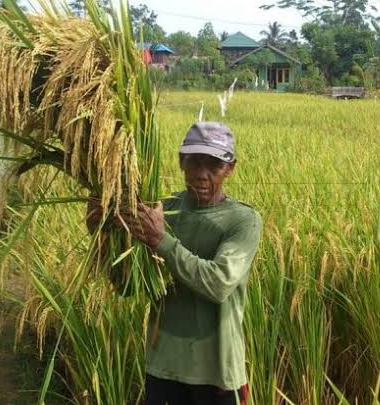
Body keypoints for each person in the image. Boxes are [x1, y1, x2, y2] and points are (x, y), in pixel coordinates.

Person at [86, 122, 262, 405]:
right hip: (164, 368)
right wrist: (102, 234)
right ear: (181, 162)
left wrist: (161, 241)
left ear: (230, 168)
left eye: (214, 165)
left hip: (217, 373)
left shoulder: (243, 220)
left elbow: (218, 284)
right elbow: (128, 286)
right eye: (194, 162)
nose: (202, 175)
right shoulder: (162, 211)